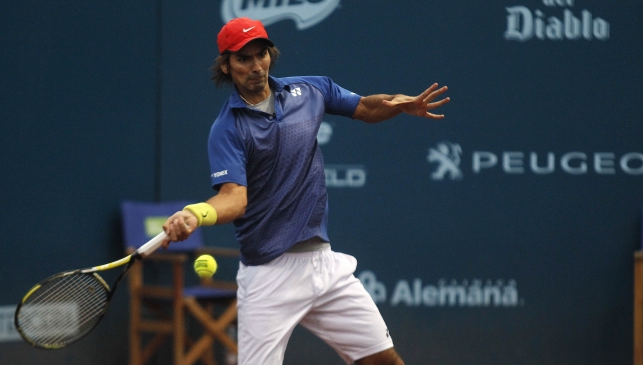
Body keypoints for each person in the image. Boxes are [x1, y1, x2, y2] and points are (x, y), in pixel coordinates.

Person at [162, 17, 449, 365]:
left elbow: (364, 107)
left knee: (383, 361)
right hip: (269, 274)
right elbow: (234, 198)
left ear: (271, 55)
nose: (255, 67)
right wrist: (196, 213)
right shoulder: (227, 129)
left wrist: (398, 105)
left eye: (261, 55)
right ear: (226, 65)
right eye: (243, 59)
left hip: (325, 266)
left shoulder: (310, 91)